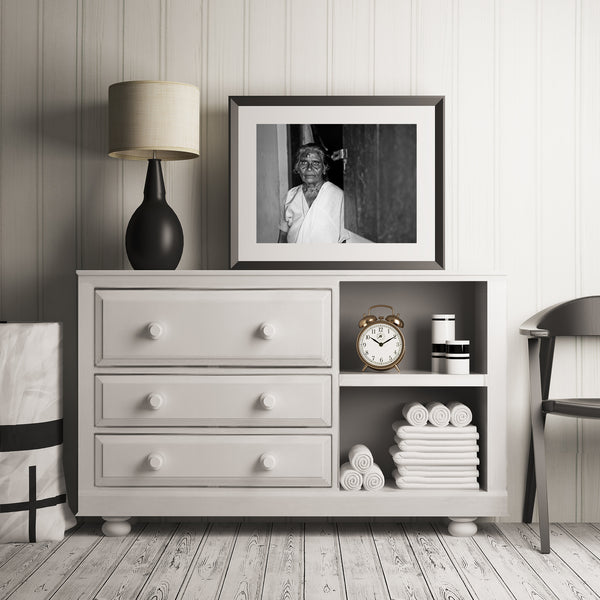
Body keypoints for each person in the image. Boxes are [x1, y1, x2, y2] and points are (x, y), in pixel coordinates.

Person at [278, 143, 349, 243]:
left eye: (315, 163)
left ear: (324, 168)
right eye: (303, 163)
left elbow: (346, 240)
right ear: (297, 168)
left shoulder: (338, 197)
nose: (309, 168)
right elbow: (283, 234)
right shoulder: (290, 195)